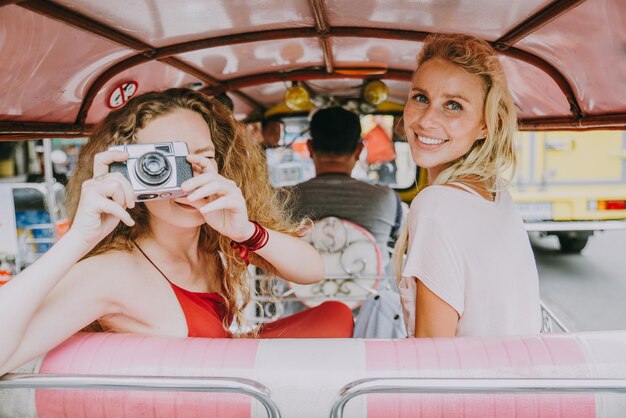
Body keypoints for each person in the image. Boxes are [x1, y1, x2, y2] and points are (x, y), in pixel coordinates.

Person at [0, 88, 354, 376]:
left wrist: (246, 230)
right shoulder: (114, 271)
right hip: (200, 396)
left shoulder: (215, 241)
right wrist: (79, 240)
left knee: (336, 315)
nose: (188, 181)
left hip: (224, 378)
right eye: (163, 163)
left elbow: (313, 271)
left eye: (201, 158)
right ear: (126, 172)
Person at [396, 34, 541, 338]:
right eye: (420, 97)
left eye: (453, 106)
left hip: (468, 384)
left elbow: (432, 358)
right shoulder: (496, 192)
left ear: (485, 125)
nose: (427, 121)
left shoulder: (437, 205)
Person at [289, 106, 403, 255]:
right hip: (371, 279)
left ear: (309, 148)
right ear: (359, 150)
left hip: (298, 279)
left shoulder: (285, 198)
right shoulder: (386, 198)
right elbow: (400, 240)